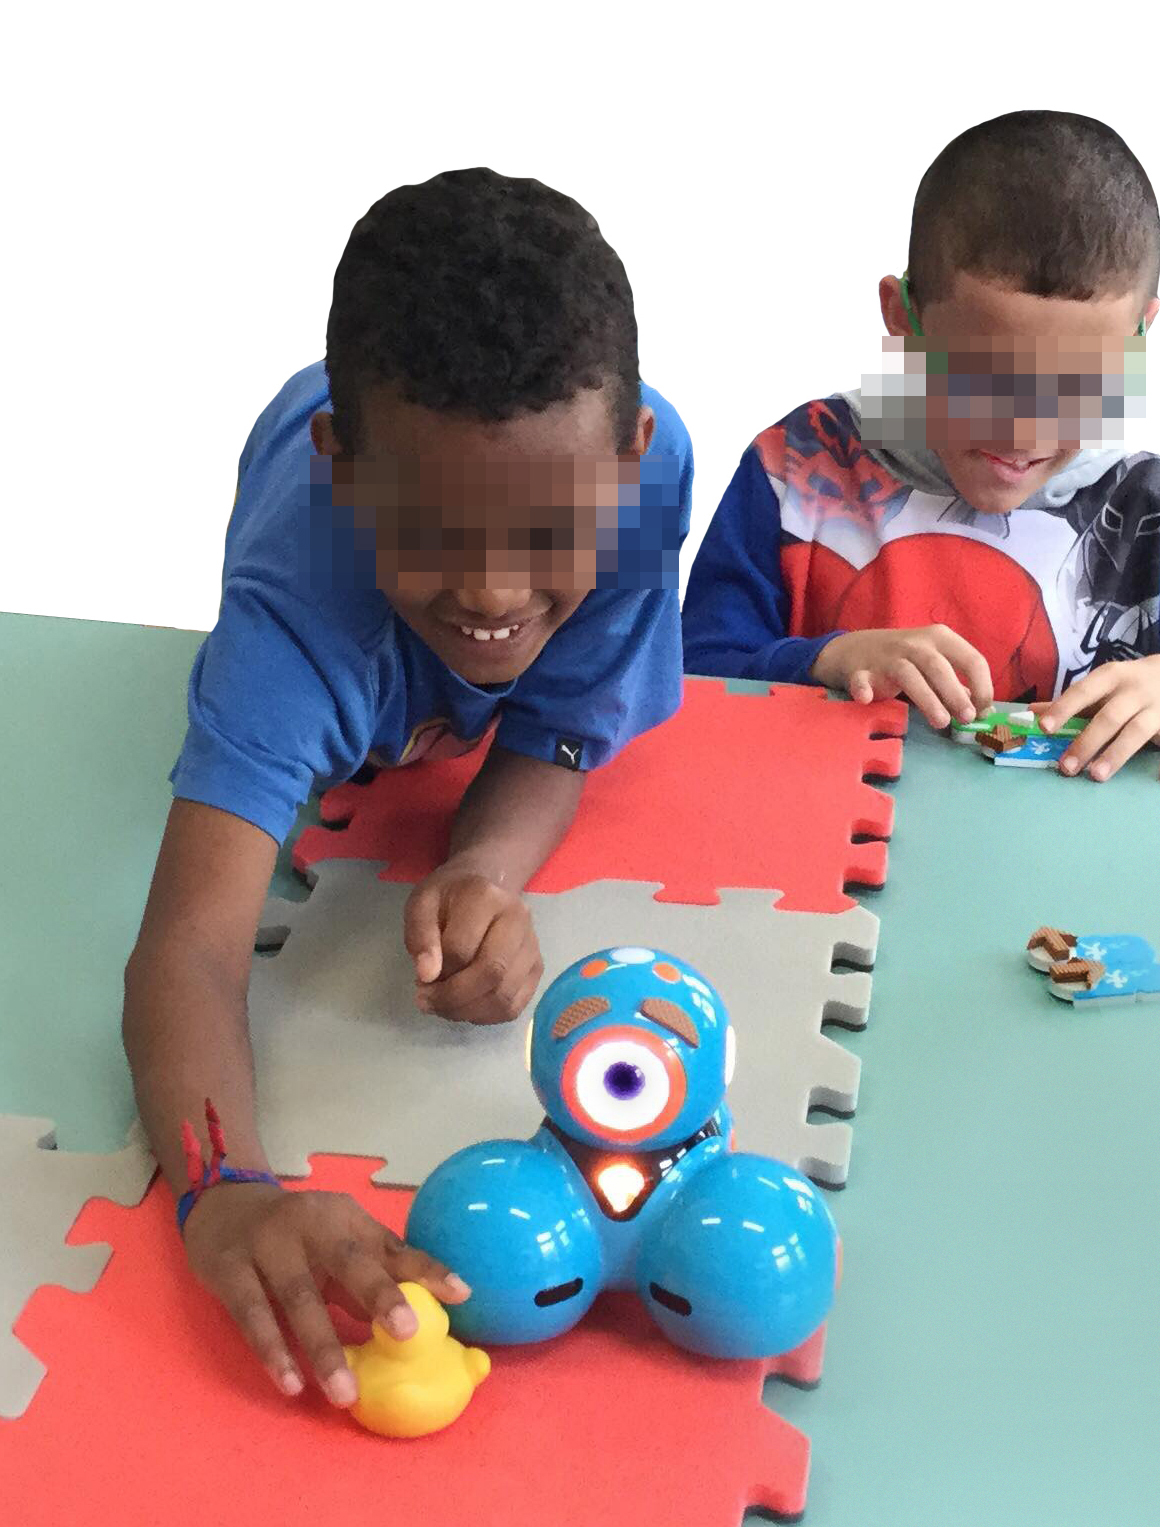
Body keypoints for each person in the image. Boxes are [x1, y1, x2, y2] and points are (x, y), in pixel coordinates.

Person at [122, 168, 694, 1407]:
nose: (492, 591)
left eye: (547, 529)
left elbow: (556, 727)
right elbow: (189, 951)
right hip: (320, 571)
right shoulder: (287, 637)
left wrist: (479, 869)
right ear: (343, 468)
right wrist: (226, 1195)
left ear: (632, 456)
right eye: (433, 529)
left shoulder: (654, 482)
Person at [683, 110, 1160, 782]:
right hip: (824, 884)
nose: (1024, 431)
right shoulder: (796, 469)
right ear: (902, 317)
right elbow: (682, 681)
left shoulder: (1151, 517)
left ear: (1138, 339)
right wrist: (828, 660)